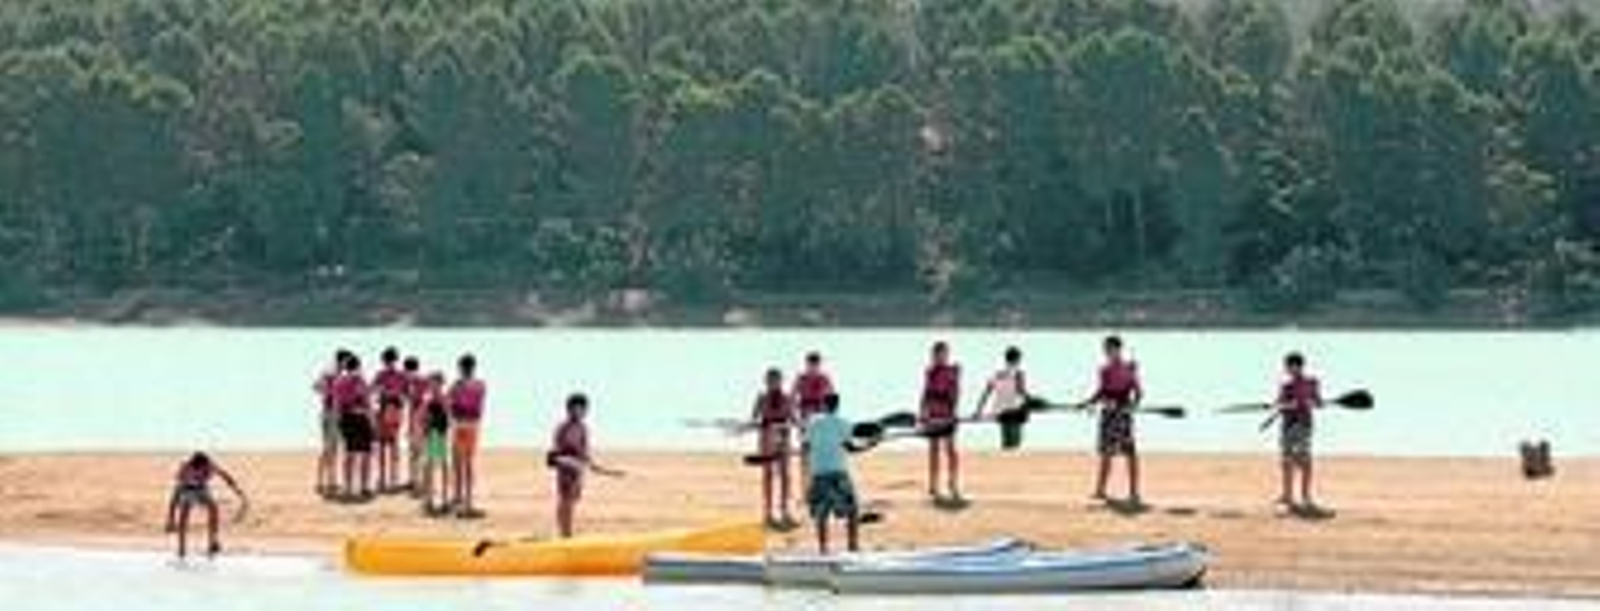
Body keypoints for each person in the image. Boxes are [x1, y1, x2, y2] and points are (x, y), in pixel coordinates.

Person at [1086, 335, 1143, 504]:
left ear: (1118, 349)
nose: (1107, 352)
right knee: (1106, 452)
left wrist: (1133, 405)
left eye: (1110, 349)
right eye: (1106, 349)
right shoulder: (1104, 369)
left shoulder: (1129, 368)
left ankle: (1134, 492)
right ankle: (1101, 490)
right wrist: (1089, 403)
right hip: (1110, 412)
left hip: (1122, 413)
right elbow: (1102, 392)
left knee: (1130, 453)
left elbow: (1139, 391)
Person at [805, 393, 860, 555]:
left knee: (821, 514)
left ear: (823, 405)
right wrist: (867, 445)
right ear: (837, 406)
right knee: (852, 511)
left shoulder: (812, 423)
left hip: (819, 473)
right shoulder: (844, 424)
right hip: (838, 473)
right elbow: (850, 447)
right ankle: (853, 547)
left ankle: (823, 549)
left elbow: (806, 447)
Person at [164, 452, 247, 559]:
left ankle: (212, 542)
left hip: (202, 488)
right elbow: (175, 495)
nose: (203, 471)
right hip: (186, 489)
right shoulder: (185, 468)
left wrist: (237, 490)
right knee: (184, 514)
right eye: (200, 469)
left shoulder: (210, 466)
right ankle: (182, 549)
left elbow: (225, 476)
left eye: (205, 468)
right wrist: (170, 519)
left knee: (213, 508)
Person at [1276, 352, 1323, 509]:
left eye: (1290, 367)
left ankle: (1305, 496)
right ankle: (1287, 495)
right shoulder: (1286, 385)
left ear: (1297, 366)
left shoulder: (1311, 383)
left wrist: (1314, 403)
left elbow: (1318, 402)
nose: (1288, 370)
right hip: (1289, 425)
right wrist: (1288, 405)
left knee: (1304, 460)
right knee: (1286, 461)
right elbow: (1280, 404)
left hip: (1303, 426)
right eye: (1288, 367)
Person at [751, 368, 797, 529]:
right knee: (768, 476)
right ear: (766, 381)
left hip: (783, 438)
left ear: (781, 381)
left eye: (776, 380)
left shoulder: (787, 398)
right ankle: (768, 514)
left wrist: (786, 425)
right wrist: (762, 425)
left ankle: (785, 512)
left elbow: (794, 420)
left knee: (785, 477)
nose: (773, 383)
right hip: (766, 439)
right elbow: (754, 419)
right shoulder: (761, 398)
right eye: (770, 380)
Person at [920, 341, 962, 502]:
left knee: (950, 450)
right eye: (936, 354)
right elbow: (925, 393)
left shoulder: (953, 371)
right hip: (932, 414)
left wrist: (952, 413)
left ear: (946, 355)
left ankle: (953, 483)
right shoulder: (929, 371)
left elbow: (956, 393)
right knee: (933, 450)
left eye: (942, 354)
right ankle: (933, 484)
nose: (938, 357)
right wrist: (922, 412)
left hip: (948, 415)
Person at [448, 354, 487, 517]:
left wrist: (453, 420)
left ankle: (458, 497)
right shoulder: (480, 385)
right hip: (474, 425)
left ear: (460, 368)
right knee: (469, 462)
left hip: (460, 425)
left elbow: (450, 404)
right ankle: (468, 499)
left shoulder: (456, 386)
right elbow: (480, 407)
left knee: (457, 462)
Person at [549, 393, 592, 538]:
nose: (578, 412)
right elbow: (556, 450)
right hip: (565, 469)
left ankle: (567, 529)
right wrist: (563, 460)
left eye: (582, 409)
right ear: (569, 409)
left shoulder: (583, 428)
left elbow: (585, 447)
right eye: (575, 408)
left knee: (573, 499)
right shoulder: (563, 427)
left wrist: (586, 460)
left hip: (578, 469)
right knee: (565, 499)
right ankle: (564, 532)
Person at [333, 354, 376, 499]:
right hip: (361, 418)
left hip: (346, 419)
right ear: (358, 366)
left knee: (349, 454)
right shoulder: (360, 381)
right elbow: (368, 403)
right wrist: (372, 423)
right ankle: (364, 487)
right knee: (366, 455)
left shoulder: (339, 382)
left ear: (345, 367)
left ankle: (348, 488)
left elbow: (337, 406)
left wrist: (339, 423)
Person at [790, 351, 835, 482]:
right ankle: (805, 485)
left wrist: (830, 418)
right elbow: (792, 398)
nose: (813, 366)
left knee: (820, 451)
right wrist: (794, 418)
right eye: (811, 363)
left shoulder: (825, 378)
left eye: (816, 364)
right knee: (805, 451)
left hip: (821, 418)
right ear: (807, 364)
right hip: (805, 417)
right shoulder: (801, 378)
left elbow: (832, 398)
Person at [974, 346, 1030, 450]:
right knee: (1015, 443)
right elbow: (1022, 392)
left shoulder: (997, 374)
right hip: (1014, 411)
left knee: (1006, 442)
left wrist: (978, 410)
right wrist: (1032, 403)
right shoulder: (1018, 374)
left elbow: (986, 393)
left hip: (1001, 412)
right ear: (1017, 360)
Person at [312, 349, 350, 496]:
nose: (347, 364)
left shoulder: (336, 374)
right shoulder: (331, 373)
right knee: (329, 448)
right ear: (342, 360)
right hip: (330, 414)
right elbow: (316, 386)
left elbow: (317, 387)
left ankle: (330, 481)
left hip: (334, 414)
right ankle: (323, 481)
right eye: (347, 361)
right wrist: (330, 392)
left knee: (333, 448)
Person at [372, 347, 408, 493]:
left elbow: (372, 390)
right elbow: (407, 394)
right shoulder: (402, 375)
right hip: (397, 412)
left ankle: (383, 479)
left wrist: (385, 392)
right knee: (394, 445)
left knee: (382, 446)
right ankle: (393, 479)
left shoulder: (381, 374)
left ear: (383, 360)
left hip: (384, 410)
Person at [420, 373, 452, 514]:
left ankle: (441, 499)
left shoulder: (438, 398)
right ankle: (430, 500)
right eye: (431, 383)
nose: (431, 385)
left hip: (438, 434)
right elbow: (422, 416)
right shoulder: (430, 398)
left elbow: (448, 416)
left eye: (434, 382)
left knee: (437, 465)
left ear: (439, 383)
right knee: (430, 466)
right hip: (433, 434)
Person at [403, 356, 427, 496]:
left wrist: (414, 423)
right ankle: (414, 480)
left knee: (417, 453)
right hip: (419, 420)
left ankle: (418, 482)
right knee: (416, 453)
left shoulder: (416, 381)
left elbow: (418, 402)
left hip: (418, 420)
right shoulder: (420, 381)